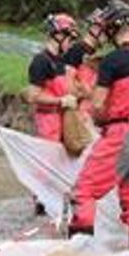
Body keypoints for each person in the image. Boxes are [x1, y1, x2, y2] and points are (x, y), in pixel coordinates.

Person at [68, 0, 129, 252]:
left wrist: (80, 94)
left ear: (112, 28)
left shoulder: (114, 60)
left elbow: (97, 102)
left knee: (83, 191)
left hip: (121, 131)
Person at [25, 13, 83, 215]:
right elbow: (32, 96)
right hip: (48, 121)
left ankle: (59, 205)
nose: (71, 43)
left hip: (63, 119)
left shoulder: (60, 61)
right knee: (46, 167)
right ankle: (41, 207)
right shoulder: (41, 62)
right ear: (58, 36)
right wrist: (60, 101)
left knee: (65, 163)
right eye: (70, 38)